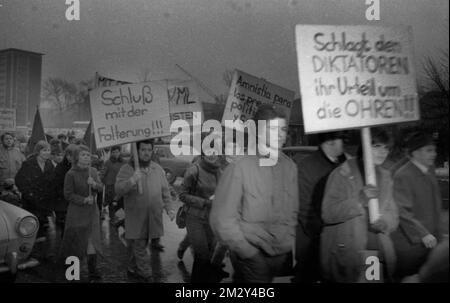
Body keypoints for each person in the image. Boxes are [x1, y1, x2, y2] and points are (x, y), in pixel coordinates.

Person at [210, 105, 299, 283]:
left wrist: (288, 241)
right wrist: (247, 252)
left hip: (280, 255)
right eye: (273, 129)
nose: (281, 134)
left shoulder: (290, 167)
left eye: (283, 129)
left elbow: (293, 211)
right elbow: (222, 220)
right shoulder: (240, 167)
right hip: (251, 256)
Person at [320, 128, 398, 282]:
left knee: (371, 281)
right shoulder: (343, 173)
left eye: (386, 148)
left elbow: (392, 213)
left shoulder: (385, 176)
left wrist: (385, 223)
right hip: (348, 254)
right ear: (365, 146)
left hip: (373, 252)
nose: (383, 152)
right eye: (377, 146)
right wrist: (359, 201)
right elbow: (328, 213)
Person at [115, 139, 175, 282]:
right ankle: (145, 273)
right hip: (136, 216)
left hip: (153, 215)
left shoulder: (157, 168)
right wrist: (131, 181)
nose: (146, 153)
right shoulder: (127, 169)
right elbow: (118, 189)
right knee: (140, 244)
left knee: (135, 243)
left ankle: (131, 266)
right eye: (143, 150)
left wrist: (170, 208)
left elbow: (165, 191)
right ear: (137, 151)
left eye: (149, 150)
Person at [390, 131, 444, 280]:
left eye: (434, 150)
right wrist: (423, 233)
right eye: (429, 150)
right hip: (412, 246)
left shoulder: (429, 169)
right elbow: (401, 210)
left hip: (430, 241)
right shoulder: (403, 175)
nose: (434, 154)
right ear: (415, 153)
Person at [293, 132, 346, 283]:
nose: (344, 142)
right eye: (341, 138)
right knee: (307, 276)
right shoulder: (307, 167)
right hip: (313, 240)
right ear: (330, 142)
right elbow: (303, 208)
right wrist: (324, 233)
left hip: (339, 241)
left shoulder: (344, 162)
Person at [179, 138, 223, 283]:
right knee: (202, 254)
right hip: (194, 217)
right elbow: (182, 195)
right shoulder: (194, 170)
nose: (212, 155)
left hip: (211, 219)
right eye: (209, 152)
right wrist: (204, 202)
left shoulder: (219, 172)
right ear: (203, 154)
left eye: (215, 152)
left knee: (208, 254)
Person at [59, 145, 104, 281]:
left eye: (88, 155)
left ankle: (92, 270)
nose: (86, 157)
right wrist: (83, 199)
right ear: (77, 157)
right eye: (83, 154)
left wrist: (95, 185)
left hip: (92, 212)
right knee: (76, 241)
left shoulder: (94, 171)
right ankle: (73, 271)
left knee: (92, 240)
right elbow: (67, 194)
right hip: (77, 212)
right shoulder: (70, 174)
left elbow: (101, 188)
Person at [15, 140, 56, 260]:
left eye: (48, 150)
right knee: (31, 227)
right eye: (44, 150)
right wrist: (29, 194)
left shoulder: (49, 164)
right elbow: (19, 180)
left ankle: (42, 253)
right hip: (31, 201)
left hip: (44, 201)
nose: (47, 153)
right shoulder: (28, 163)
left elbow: (52, 181)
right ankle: (28, 253)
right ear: (38, 151)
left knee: (43, 227)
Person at [53, 144, 78, 238]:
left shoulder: (81, 167)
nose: (70, 157)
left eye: (72, 155)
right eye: (68, 155)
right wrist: (67, 194)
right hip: (63, 200)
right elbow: (56, 185)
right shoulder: (60, 167)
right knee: (65, 226)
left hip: (76, 201)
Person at [100, 145, 125, 219]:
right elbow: (102, 173)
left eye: (117, 152)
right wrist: (102, 182)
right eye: (113, 152)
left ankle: (121, 220)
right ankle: (112, 219)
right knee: (112, 203)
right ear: (111, 153)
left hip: (120, 186)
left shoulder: (124, 162)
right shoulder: (108, 162)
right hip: (110, 186)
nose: (115, 154)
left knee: (120, 203)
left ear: (120, 152)